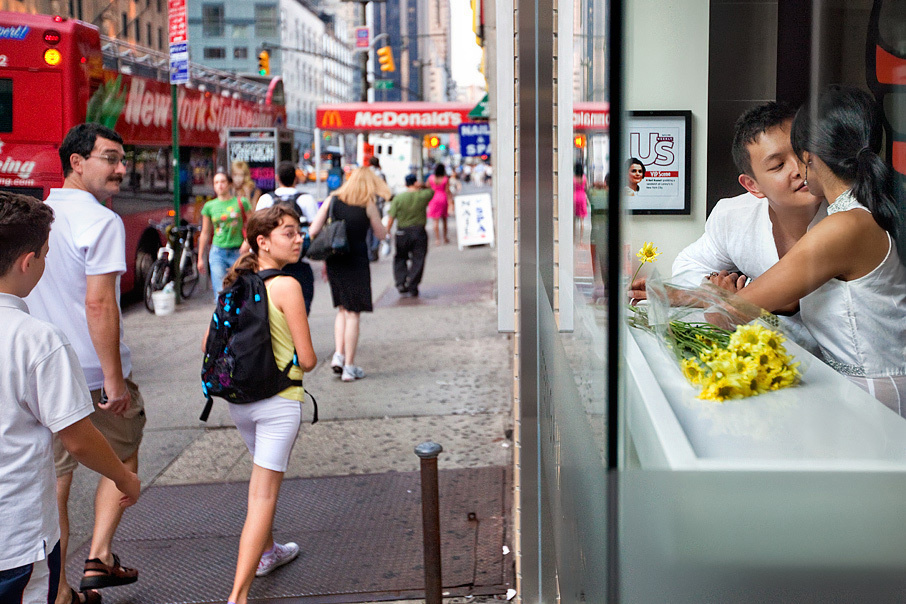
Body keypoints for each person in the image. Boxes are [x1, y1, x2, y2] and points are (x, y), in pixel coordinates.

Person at [709, 86, 906, 415]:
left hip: (872, 396)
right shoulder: (859, 212)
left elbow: (726, 313)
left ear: (809, 158)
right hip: (861, 388)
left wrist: (726, 299)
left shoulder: (841, 228)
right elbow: (791, 298)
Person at [24, 123, 147, 603]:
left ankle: (58, 590)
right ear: (77, 162)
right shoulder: (102, 221)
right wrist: (114, 380)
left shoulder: (37, 216)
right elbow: (100, 305)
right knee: (124, 452)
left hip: (40, 370)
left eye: (122, 159)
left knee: (56, 481)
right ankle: (100, 554)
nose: (121, 169)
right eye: (110, 158)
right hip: (91, 374)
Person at [0, 192, 140, 604]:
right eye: (45, 254)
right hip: (15, 538)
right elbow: (78, 438)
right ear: (29, 262)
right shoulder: (37, 339)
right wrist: (122, 476)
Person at [628, 102, 826, 352]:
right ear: (753, 185)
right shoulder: (734, 216)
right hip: (782, 362)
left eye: (803, 154)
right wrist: (710, 292)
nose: (799, 170)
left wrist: (735, 296)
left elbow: (790, 298)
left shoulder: (843, 215)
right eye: (778, 165)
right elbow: (687, 266)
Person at [212, 206, 317, 604]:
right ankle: (238, 596)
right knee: (262, 495)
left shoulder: (235, 281)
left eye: (299, 232)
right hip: (279, 403)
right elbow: (307, 359)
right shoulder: (286, 286)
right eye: (288, 233)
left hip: (240, 404)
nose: (298, 239)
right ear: (263, 241)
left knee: (261, 479)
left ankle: (269, 552)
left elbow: (211, 345)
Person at [310, 167, 387, 382]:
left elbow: (313, 229)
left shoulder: (333, 200)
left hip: (336, 259)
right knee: (354, 313)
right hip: (357, 260)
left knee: (342, 309)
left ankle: (338, 355)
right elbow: (380, 234)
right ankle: (349, 367)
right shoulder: (367, 204)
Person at [256, 161, 319, 315]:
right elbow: (315, 228)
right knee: (301, 310)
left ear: (277, 178)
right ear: (296, 178)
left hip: (272, 265)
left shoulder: (266, 199)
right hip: (301, 262)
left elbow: (256, 227)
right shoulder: (306, 199)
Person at [198, 171, 252, 295]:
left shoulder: (241, 202)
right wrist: (200, 257)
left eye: (223, 182)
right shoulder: (209, 206)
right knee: (220, 291)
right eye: (216, 182)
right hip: (218, 252)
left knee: (241, 290)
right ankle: (223, 313)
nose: (220, 185)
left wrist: (247, 242)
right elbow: (205, 232)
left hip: (238, 251)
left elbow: (252, 224)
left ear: (229, 184)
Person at [387, 174, 434, 297]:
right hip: (419, 231)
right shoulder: (423, 195)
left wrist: (387, 231)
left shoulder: (399, 198)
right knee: (418, 258)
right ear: (415, 183)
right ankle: (413, 284)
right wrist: (422, 185)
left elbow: (391, 216)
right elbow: (431, 190)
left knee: (400, 257)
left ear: (406, 184)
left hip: (402, 232)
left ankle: (401, 282)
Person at [426, 164, 453, 245]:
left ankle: (437, 239)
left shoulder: (431, 178)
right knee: (444, 220)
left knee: (435, 220)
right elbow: (447, 190)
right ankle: (445, 238)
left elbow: (427, 186)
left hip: (433, 198)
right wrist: (451, 201)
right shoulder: (445, 179)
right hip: (443, 198)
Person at [574, 162, 589, 240]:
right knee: (581, 221)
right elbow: (587, 187)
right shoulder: (584, 178)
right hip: (582, 197)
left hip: (575, 197)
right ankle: (581, 240)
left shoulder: (573, 178)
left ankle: (573, 238)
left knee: (574, 220)